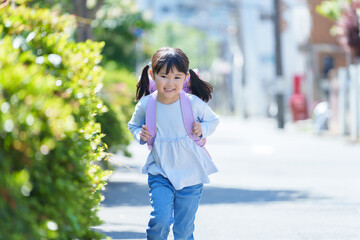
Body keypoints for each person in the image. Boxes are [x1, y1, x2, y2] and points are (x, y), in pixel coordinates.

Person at [128, 47, 219, 240]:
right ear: (153, 75)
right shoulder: (146, 104)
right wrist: (140, 134)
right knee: (160, 219)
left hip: (191, 174)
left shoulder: (192, 102)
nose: (170, 83)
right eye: (164, 76)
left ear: (186, 77)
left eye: (177, 77)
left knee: (184, 230)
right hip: (160, 171)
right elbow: (134, 125)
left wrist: (202, 129)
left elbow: (213, 120)